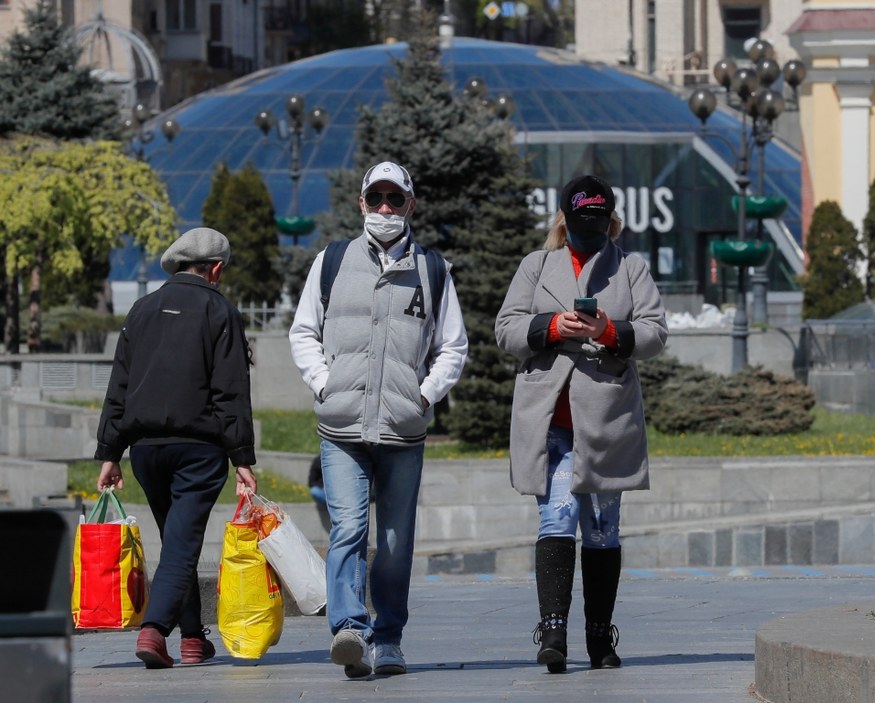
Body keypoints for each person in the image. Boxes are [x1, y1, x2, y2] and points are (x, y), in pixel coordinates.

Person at [288, 161, 468, 678]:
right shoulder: (332, 260)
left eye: (395, 199)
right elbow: (304, 331)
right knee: (347, 528)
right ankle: (350, 629)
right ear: (361, 203)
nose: (385, 208)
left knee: (392, 540)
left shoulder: (432, 268)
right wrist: (324, 383)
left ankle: (388, 638)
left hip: (403, 429)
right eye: (377, 198)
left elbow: (452, 345)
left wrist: (424, 395)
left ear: (410, 205)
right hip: (342, 427)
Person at [494, 175, 668, 673]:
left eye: (596, 221)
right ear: (563, 221)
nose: (587, 230)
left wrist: (608, 331)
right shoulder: (537, 265)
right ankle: (552, 632)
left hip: (606, 417)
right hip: (551, 418)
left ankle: (599, 635)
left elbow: (656, 332)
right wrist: (550, 326)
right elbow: (506, 329)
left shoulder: (630, 268)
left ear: (610, 222)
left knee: (601, 529)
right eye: (577, 221)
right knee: (556, 520)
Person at [95, 227, 258, 669]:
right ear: (217, 269)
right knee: (182, 544)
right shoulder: (220, 310)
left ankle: (192, 639)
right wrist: (241, 455)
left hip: (146, 450)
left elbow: (120, 385)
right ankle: (155, 629)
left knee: (175, 540)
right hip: (199, 449)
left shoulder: (142, 309)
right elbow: (230, 391)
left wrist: (110, 452)